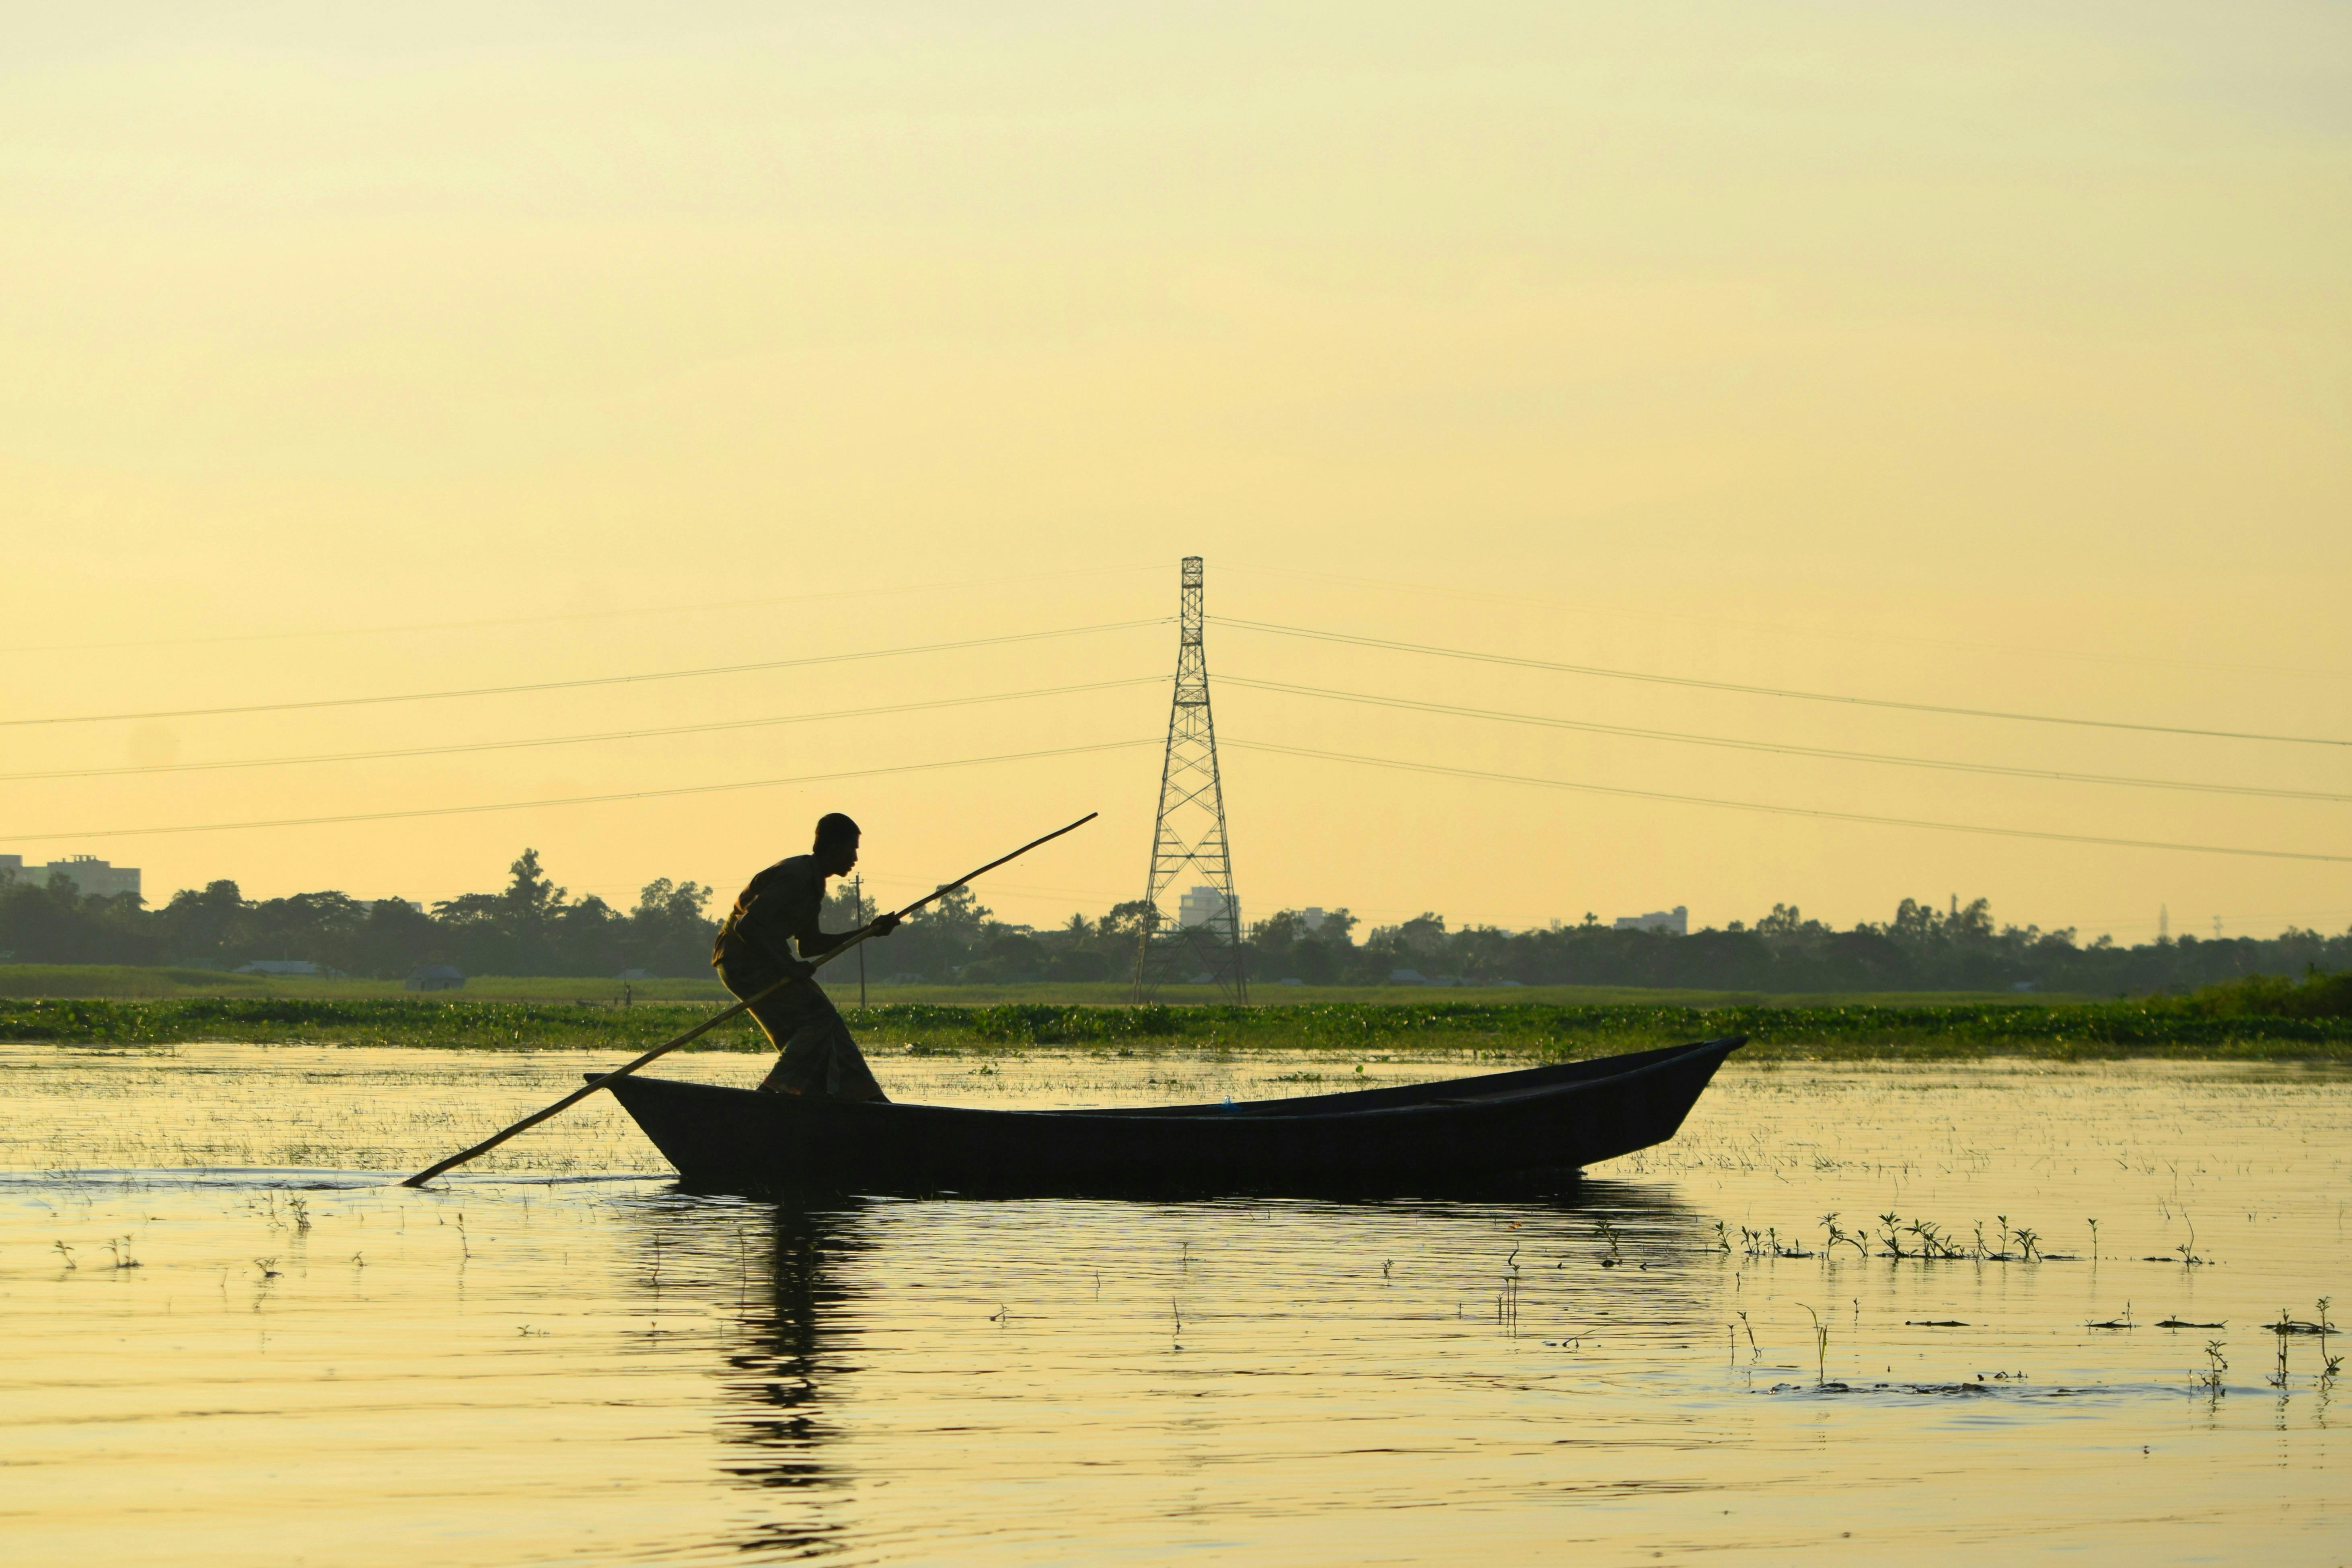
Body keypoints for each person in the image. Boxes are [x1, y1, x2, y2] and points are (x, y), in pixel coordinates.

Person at [711, 812, 900, 1099]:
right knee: (819, 1016)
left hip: (764, 958)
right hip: (740, 959)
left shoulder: (814, 884)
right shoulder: (796, 876)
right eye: (852, 849)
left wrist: (869, 930)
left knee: (826, 1023)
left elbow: (810, 945)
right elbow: (747, 926)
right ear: (833, 846)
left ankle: (861, 1097)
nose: (855, 858)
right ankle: (774, 1093)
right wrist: (789, 967)